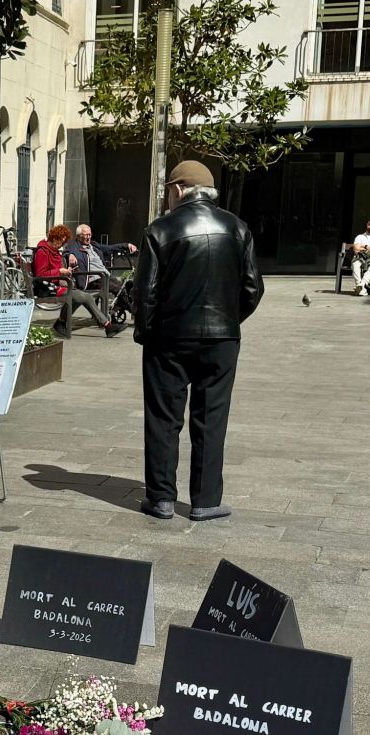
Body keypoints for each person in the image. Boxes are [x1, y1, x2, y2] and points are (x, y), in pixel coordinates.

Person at [131, 160, 262, 522]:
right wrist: (228, 320)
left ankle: (161, 498)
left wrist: (146, 333)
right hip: (222, 339)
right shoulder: (237, 227)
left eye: (168, 191)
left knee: (163, 417)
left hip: (169, 337)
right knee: (212, 417)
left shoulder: (160, 229)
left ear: (179, 189)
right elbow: (253, 288)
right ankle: (205, 500)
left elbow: (146, 292)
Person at [32, 224, 118, 339]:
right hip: (47, 288)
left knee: (82, 296)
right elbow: (41, 275)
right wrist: (59, 271)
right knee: (83, 297)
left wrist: (66, 271)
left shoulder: (54, 251)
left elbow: (57, 269)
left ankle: (61, 323)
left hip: (58, 284)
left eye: (64, 242)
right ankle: (107, 326)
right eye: (60, 241)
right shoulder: (42, 251)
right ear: (54, 238)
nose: (61, 245)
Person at [71, 223, 135, 318]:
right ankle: (136, 313)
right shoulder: (74, 247)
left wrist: (126, 245)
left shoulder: (93, 245)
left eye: (90, 234)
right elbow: (66, 251)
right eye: (86, 235)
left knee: (128, 285)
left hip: (105, 276)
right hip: (94, 280)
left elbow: (110, 248)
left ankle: (113, 311)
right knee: (120, 290)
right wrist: (70, 255)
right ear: (78, 236)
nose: (88, 237)